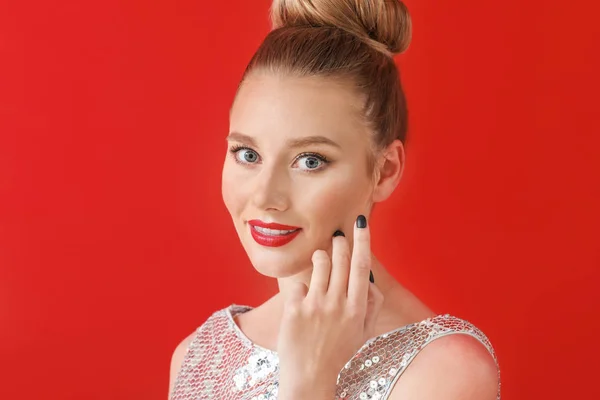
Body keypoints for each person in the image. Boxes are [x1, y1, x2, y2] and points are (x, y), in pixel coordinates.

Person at [168, 0, 501, 399]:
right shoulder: (200, 356)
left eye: (310, 160)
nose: (265, 196)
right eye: (247, 154)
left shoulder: (445, 371)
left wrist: (309, 385)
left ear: (386, 170)